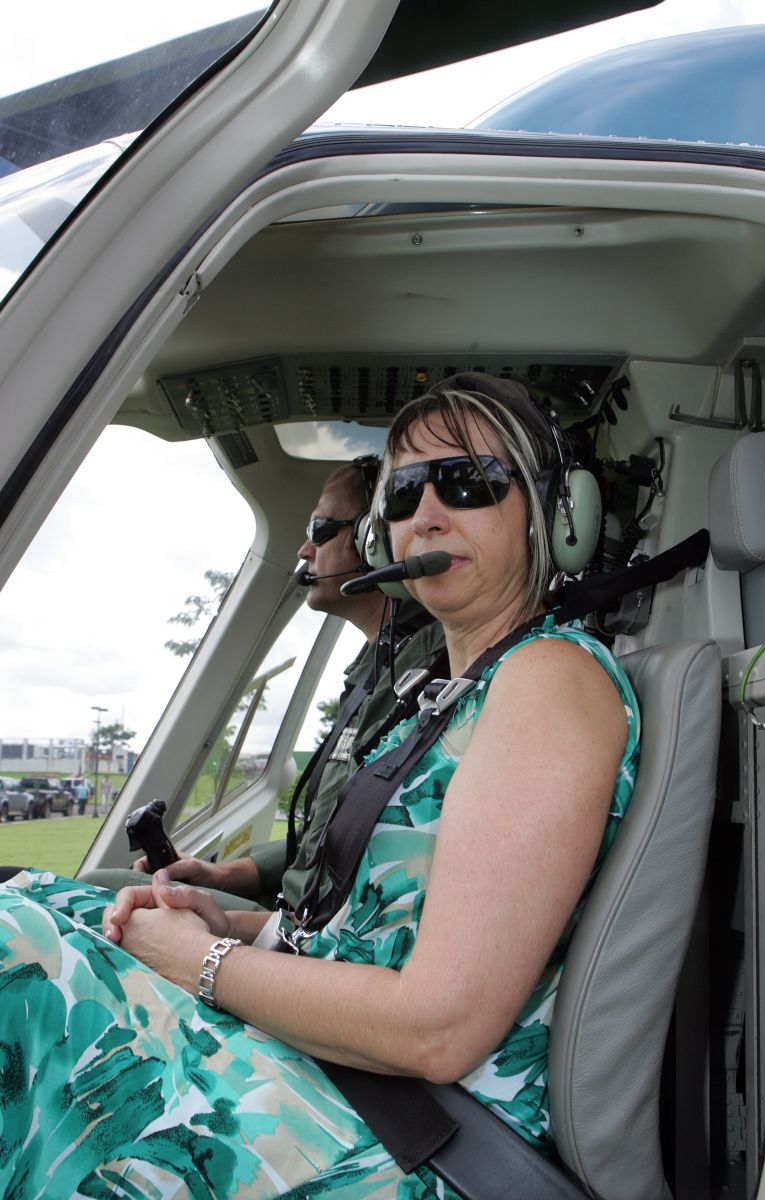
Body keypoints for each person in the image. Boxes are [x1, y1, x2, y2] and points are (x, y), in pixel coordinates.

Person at [0, 374, 640, 1198]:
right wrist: (237, 923)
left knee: (18, 946)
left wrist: (207, 960)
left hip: (416, 1140)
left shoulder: (549, 680)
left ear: (554, 515)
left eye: (468, 482)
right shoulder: (449, 693)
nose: (427, 515)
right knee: (48, 902)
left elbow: (440, 1027)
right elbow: (384, 934)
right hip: (351, 1082)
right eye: (406, 491)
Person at [80, 459, 446, 915]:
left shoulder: (428, 677)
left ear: (373, 538)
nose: (304, 549)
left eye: (318, 527)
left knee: (96, 891)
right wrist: (231, 873)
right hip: (298, 911)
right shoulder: (378, 668)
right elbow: (327, 834)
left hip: (313, 932)